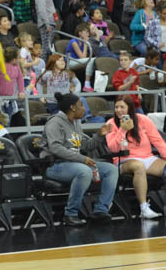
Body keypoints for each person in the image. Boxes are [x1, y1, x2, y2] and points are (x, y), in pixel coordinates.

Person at [43, 92, 118, 226]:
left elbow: (86, 146)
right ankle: (70, 214)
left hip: (76, 163)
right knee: (84, 171)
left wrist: (100, 135)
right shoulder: (54, 123)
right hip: (56, 165)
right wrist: (82, 158)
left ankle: (100, 211)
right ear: (73, 108)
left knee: (111, 169)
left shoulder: (76, 122)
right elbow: (56, 148)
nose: (84, 109)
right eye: (81, 105)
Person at [105, 95, 166, 219]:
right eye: (116, 107)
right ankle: (144, 208)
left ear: (130, 108)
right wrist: (122, 129)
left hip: (147, 157)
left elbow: (158, 142)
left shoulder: (143, 120)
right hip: (123, 161)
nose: (118, 110)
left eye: (122, 107)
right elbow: (113, 148)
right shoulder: (110, 123)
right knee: (139, 166)